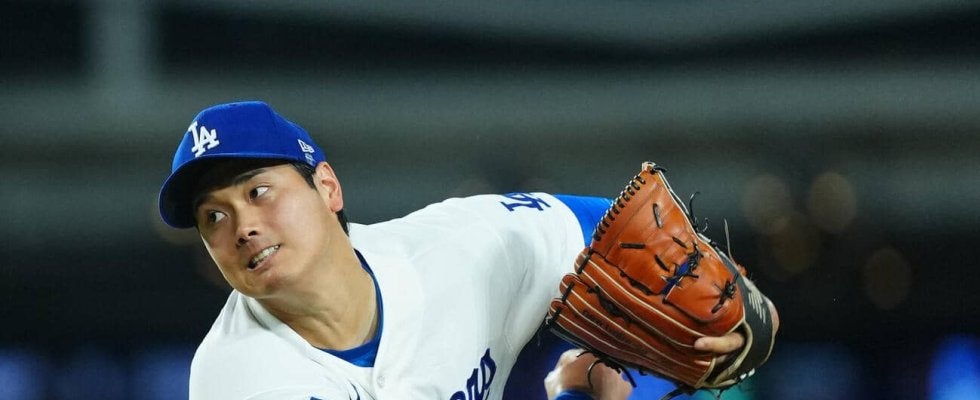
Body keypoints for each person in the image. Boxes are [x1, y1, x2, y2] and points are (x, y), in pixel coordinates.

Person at [158, 101, 763, 400]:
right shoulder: (238, 377)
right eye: (214, 217)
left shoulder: (459, 248)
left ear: (327, 187)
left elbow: (607, 227)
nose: (243, 226)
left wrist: (744, 314)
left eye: (259, 191)